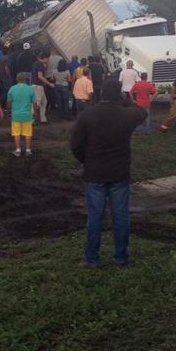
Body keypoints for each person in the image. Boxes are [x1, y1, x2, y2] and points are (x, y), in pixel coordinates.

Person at [70, 79, 146, 268]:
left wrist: (86, 161)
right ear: (119, 94)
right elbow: (142, 112)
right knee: (120, 217)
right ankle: (120, 257)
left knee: (95, 217)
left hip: (94, 173)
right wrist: (126, 101)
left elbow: (75, 145)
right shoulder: (127, 115)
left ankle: (92, 258)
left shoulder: (87, 115)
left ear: (101, 93)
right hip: (119, 173)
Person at [7, 71, 38, 157]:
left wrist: (10, 111)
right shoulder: (30, 89)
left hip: (16, 115)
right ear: (25, 79)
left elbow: (9, 103)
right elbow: (34, 103)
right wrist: (35, 112)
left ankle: (18, 150)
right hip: (27, 115)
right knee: (28, 133)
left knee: (16, 133)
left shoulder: (12, 89)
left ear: (16, 79)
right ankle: (28, 150)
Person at [31, 50, 54, 124]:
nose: (48, 60)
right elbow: (40, 76)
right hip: (38, 86)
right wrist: (49, 84)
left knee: (44, 102)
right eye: (48, 58)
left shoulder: (35, 63)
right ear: (45, 58)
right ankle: (30, 120)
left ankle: (43, 119)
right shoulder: (40, 65)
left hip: (35, 85)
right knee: (37, 103)